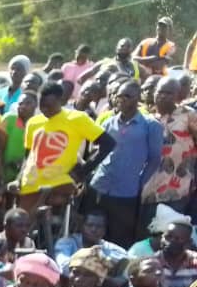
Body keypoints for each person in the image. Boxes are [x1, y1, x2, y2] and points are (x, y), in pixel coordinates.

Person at [86, 79, 163, 247]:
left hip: (126, 192)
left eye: (127, 96)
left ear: (138, 98)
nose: (121, 99)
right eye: (119, 95)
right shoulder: (108, 122)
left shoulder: (150, 125)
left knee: (120, 235)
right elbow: (97, 152)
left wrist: (141, 182)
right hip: (100, 185)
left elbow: (155, 159)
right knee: (93, 232)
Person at [18, 82, 115, 212]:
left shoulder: (77, 118)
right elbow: (28, 156)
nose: (45, 109)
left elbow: (108, 143)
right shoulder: (33, 122)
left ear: (61, 101)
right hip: (30, 184)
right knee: (22, 225)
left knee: (46, 220)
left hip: (59, 184)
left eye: (49, 106)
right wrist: (18, 179)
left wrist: (83, 172)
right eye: (42, 106)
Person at [142, 78, 197, 224]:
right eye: (160, 92)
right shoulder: (148, 117)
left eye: (169, 93)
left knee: (171, 230)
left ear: (177, 95)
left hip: (178, 188)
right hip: (149, 188)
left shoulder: (188, 115)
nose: (163, 96)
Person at [52, 211, 128, 287]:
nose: (93, 229)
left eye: (99, 226)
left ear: (105, 230)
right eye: (89, 225)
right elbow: (64, 267)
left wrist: (115, 279)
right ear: (82, 226)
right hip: (69, 286)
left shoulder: (113, 249)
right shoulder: (67, 243)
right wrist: (98, 273)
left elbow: (129, 268)